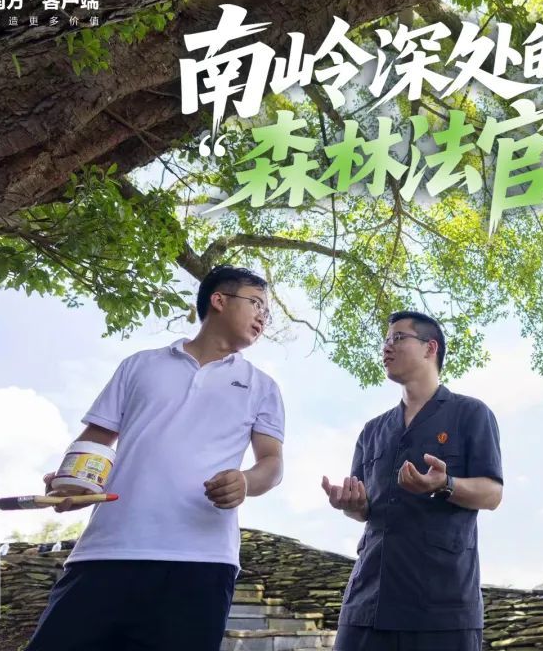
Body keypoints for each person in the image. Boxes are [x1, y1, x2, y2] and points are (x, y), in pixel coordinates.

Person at [26, 265, 287, 651]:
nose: (263, 316)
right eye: (256, 303)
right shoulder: (140, 365)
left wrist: (246, 481)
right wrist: (71, 482)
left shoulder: (263, 387)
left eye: (267, 311)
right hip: (107, 550)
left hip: (202, 561)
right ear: (218, 300)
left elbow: (272, 464)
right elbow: (95, 439)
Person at [321, 311, 503, 651]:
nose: (386, 347)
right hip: (368, 601)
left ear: (430, 348)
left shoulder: (471, 414)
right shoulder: (373, 430)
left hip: (442, 605)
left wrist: (444, 484)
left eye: (398, 338)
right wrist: (351, 504)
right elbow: (363, 510)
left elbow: (492, 494)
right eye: (385, 340)